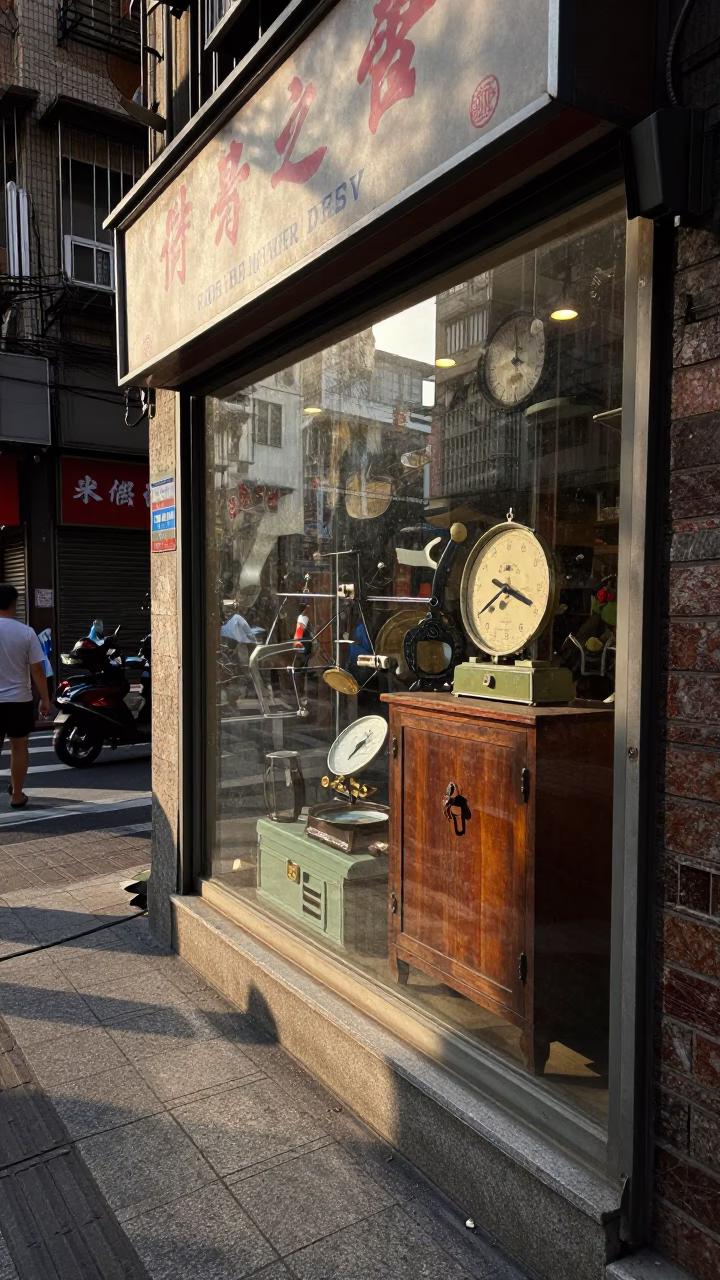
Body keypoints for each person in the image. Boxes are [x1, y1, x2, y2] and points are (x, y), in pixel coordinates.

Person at [0, 583, 51, 809]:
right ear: (14, 604)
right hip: (18, 700)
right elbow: (37, 669)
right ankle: (17, 795)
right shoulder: (26, 632)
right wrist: (45, 699)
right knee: (19, 747)